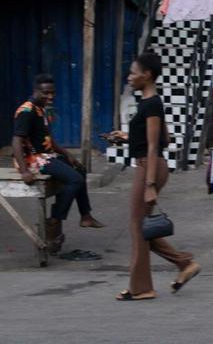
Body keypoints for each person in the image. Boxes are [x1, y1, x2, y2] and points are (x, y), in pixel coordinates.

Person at [110, 52, 200, 301]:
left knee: (137, 226)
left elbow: (153, 146)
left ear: (146, 75)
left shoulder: (151, 104)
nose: (129, 77)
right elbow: (166, 138)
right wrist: (126, 136)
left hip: (148, 167)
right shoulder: (151, 103)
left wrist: (149, 184)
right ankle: (184, 264)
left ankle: (142, 288)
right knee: (140, 227)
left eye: (133, 72)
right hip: (151, 164)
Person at [12, 74, 104, 250]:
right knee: (75, 179)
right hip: (33, 160)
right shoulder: (26, 111)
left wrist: (67, 154)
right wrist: (24, 171)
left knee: (80, 170)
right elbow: (16, 141)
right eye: (46, 93)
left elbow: (49, 139)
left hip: (47, 156)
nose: (50, 96)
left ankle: (85, 216)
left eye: (52, 93)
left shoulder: (41, 109)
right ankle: (54, 219)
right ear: (36, 91)